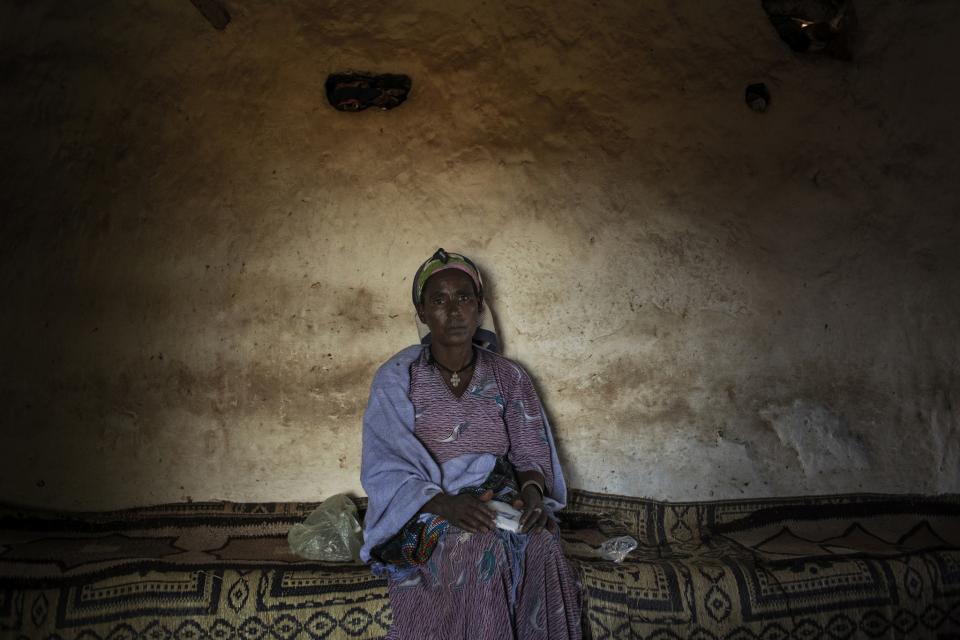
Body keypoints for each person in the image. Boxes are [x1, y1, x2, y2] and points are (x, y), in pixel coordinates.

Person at [360, 249, 582, 639]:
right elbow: (386, 464)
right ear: (422, 311)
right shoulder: (397, 377)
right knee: (480, 550)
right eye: (439, 300)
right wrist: (446, 505)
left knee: (543, 544)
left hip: (498, 500)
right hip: (426, 509)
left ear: (479, 308)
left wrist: (531, 495)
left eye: (463, 298)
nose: (453, 310)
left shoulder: (509, 377)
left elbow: (531, 451)